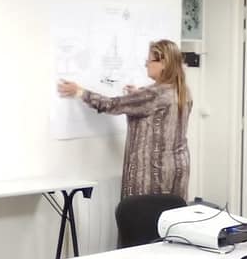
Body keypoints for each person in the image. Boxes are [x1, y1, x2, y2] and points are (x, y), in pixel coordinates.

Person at [57, 39, 191, 200]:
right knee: (172, 214)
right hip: (177, 169)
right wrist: (138, 95)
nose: (146, 64)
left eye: (149, 60)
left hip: (153, 175)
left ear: (163, 63)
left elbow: (111, 105)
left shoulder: (153, 95)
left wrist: (79, 92)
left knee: (142, 215)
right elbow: (157, 110)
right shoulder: (182, 90)